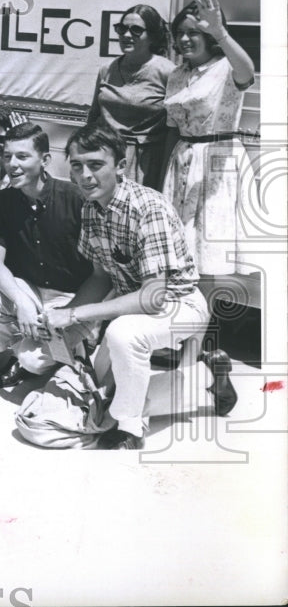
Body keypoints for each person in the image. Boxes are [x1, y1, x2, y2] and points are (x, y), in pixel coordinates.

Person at [43, 123, 236, 449]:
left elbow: (152, 297)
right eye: (76, 166)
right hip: (129, 303)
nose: (85, 175)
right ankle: (207, 375)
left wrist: (78, 315)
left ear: (121, 166)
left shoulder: (149, 207)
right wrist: (68, 321)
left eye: (95, 164)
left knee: (122, 340)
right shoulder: (91, 207)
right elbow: (100, 278)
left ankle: (130, 429)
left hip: (179, 304)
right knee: (104, 392)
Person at [0, 122, 92, 389]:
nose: (12, 164)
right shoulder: (3, 201)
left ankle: (72, 351)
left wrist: (73, 313)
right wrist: (21, 302)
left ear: (45, 160)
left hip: (72, 298)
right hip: (32, 293)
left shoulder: (75, 199)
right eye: (7, 156)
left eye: (22, 156)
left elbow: (101, 271)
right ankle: (19, 353)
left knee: (34, 362)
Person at [161, 0, 256, 275]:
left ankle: (211, 307)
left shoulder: (227, 67)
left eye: (194, 32)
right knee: (180, 244)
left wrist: (221, 32)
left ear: (209, 37)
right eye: (180, 33)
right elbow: (171, 129)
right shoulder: (177, 75)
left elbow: (248, 71)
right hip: (181, 161)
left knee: (210, 239)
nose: (185, 39)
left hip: (216, 160)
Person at [86, 4, 174, 190]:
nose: (126, 35)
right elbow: (93, 116)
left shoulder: (167, 72)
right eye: (122, 29)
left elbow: (174, 128)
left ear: (152, 36)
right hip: (105, 154)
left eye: (136, 30)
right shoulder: (106, 70)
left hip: (146, 163)